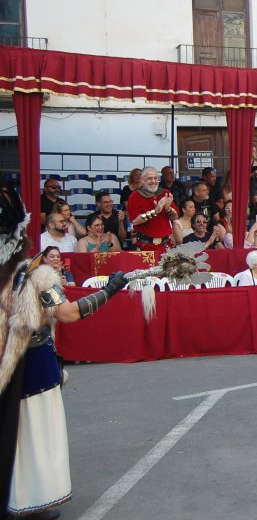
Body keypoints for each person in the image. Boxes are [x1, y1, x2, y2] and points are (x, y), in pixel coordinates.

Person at [0, 180, 128, 519]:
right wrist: (109, 290)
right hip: (33, 365)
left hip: (6, 364)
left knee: (12, 431)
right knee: (36, 435)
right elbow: (68, 313)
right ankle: (29, 502)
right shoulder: (37, 275)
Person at [128, 166, 179, 252]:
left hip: (166, 245)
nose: (153, 181)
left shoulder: (165, 193)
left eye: (155, 178)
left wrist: (168, 209)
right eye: (150, 178)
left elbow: (175, 217)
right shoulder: (135, 196)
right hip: (145, 245)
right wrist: (155, 211)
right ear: (142, 180)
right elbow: (135, 221)